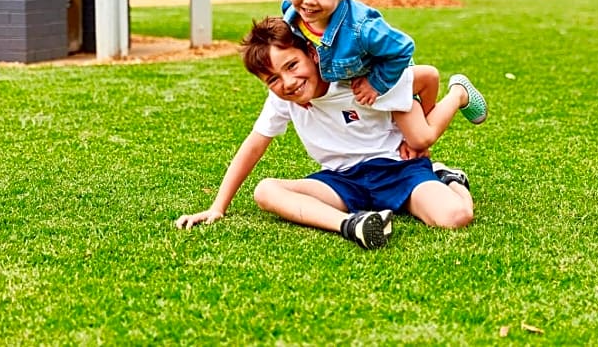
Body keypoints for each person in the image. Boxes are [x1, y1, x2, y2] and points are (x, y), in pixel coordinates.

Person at [174, 17, 486, 250]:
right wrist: (217, 207)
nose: (287, 82)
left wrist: (414, 133)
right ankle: (353, 225)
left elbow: (427, 76)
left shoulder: (357, 80)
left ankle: (450, 178)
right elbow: (253, 146)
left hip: (398, 171)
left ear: (311, 52)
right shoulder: (283, 100)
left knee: (455, 217)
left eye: (292, 65)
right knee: (266, 190)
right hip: (342, 182)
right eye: (273, 79)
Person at [262, 0, 487, 125]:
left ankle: (459, 93)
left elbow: (403, 48)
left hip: (389, 72)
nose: (309, 1)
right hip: (351, 80)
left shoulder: (363, 29)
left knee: (419, 137)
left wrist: (375, 84)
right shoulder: (292, 11)